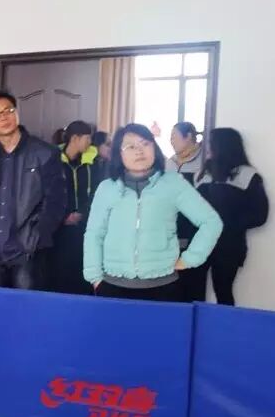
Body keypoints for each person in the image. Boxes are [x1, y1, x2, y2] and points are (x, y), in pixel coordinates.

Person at [83, 123, 222, 303]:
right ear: (118, 153)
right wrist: (94, 277)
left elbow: (211, 222)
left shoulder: (173, 183)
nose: (139, 151)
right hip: (113, 285)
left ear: (154, 148)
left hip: (163, 287)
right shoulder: (107, 188)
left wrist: (190, 259)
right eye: (130, 146)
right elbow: (94, 234)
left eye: (145, 144)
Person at [0, 91, 66, 289]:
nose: (3, 118)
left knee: (26, 306)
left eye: (8, 111)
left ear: (16, 112)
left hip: (26, 252)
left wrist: (37, 237)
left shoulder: (45, 153)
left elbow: (56, 201)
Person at [195, 128, 269, 305]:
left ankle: (223, 323)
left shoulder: (248, 175)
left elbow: (260, 215)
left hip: (229, 245)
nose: (207, 148)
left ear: (222, 146)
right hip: (200, 242)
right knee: (193, 289)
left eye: (211, 143)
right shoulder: (205, 172)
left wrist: (227, 224)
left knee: (223, 291)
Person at [48, 121, 103, 295]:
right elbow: (48, 193)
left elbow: (97, 192)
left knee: (82, 273)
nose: (90, 142)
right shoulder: (52, 160)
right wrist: (63, 216)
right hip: (59, 228)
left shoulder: (93, 162)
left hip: (85, 226)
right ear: (75, 138)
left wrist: (82, 214)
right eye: (87, 138)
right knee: (60, 274)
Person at [167, 121, 208, 301]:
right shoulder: (169, 163)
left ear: (189, 137)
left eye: (174, 137)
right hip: (170, 231)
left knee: (193, 283)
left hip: (193, 230)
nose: (171, 141)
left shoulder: (204, 162)